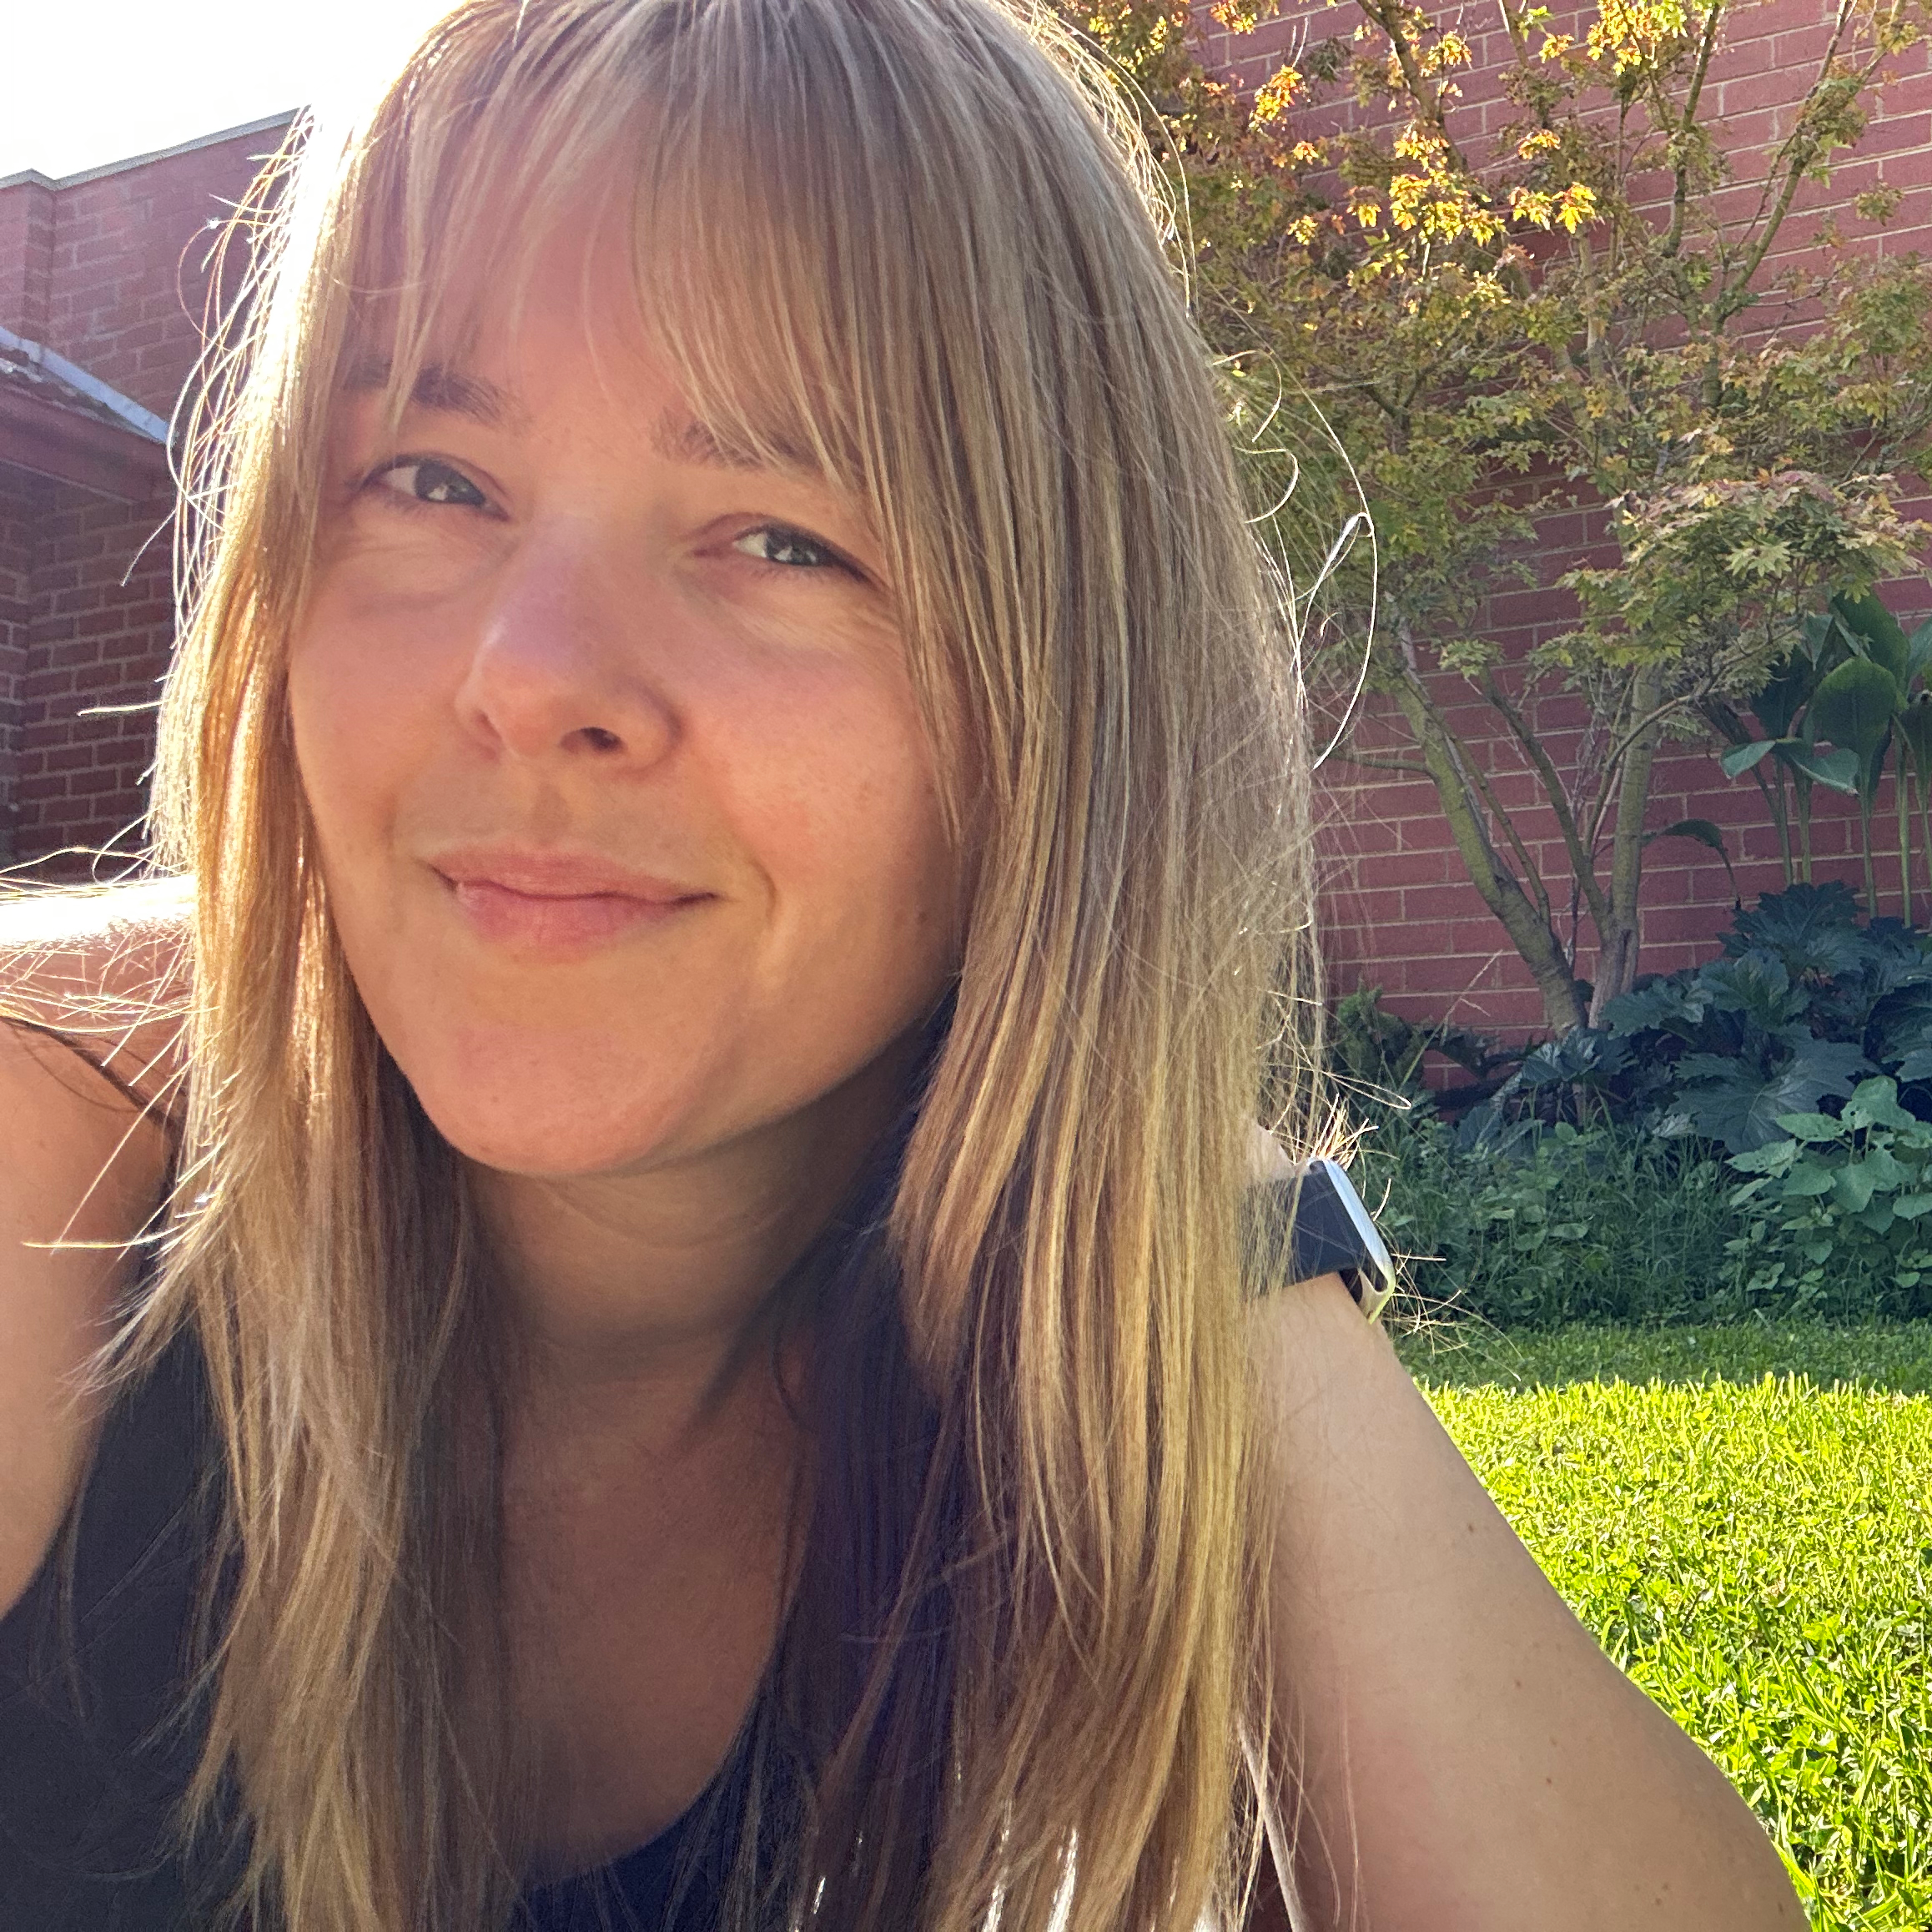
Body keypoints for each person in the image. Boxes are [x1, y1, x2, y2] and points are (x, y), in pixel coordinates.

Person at [0, 1, 1803, 1928]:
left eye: (779, 534)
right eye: (432, 478)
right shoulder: (54, 1137)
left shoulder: (1065, 1351)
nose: (522, 679)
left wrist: (1200, 1224)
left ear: (1059, 716)